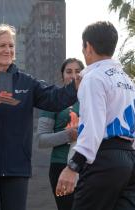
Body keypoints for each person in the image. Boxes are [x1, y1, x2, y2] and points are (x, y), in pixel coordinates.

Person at [0, 24, 79, 210]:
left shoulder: (26, 82)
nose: (8, 50)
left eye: (11, 46)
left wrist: (77, 84)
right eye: (2, 45)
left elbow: (54, 99)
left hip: (16, 167)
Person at [56, 21, 135, 210]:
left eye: (83, 47)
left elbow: (92, 127)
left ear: (88, 46)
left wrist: (73, 166)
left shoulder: (93, 77)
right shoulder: (127, 80)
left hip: (104, 160)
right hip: (131, 161)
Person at [37, 58, 84, 210]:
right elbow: (41, 140)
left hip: (88, 167)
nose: (74, 75)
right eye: (69, 71)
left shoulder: (93, 99)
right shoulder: (54, 100)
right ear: (62, 75)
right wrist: (68, 135)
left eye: (78, 71)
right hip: (61, 166)